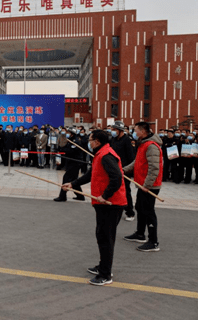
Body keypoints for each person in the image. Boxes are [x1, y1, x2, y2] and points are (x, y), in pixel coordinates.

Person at [62, 130, 127, 286]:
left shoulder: (106, 156)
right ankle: (103, 266)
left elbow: (117, 178)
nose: (88, 143)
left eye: (90, 140)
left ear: (97, 141)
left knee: (106, 237)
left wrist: (105, 196)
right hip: (102, 203)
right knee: (102, 235)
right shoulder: (100, 154)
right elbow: (91, 175)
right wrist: (73, 184)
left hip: (111, 204)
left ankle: (105, 274)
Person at [122, 122, 164, 252]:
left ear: (143, 131)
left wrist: (147, 185)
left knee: (149, 212)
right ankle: (140, 234)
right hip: (142, 184)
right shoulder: (143, 143)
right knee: (140, 208)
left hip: (149, 185)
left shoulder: (151, 146)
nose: (134, 133)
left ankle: (153, 241)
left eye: (135, 130)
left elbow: (154, 168)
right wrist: (123, 170)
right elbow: (138, 162)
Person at [110, 121, 136, 221]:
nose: (113, 131)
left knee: (125, 191)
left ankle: (130, 212)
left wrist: (127, 170)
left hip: (124, 170)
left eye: (114, 130)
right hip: (114, 169)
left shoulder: (127, 140)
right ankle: (115, 209)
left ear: (120, 130)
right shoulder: (113, 139)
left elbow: (131, 158)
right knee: (113, 189)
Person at [54, 128, 85, 202]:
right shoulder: (70, 140)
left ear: (72, 133)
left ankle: (62, 196)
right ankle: (80, 196)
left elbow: (71, 151)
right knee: (74, 180)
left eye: (68, 132)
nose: (66, 133)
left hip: (75, 163)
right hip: (71, 162)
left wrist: (63, 150)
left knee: (66, 178)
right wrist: (59, 149)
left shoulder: (75, 141)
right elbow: (66, 148)